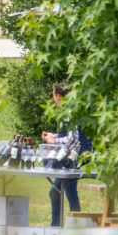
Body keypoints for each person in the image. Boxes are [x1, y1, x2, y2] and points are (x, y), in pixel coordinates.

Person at [41, 83, 92, 227]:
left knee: (56, 192)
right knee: (69, 193)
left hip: (73, 157)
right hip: (76, 156)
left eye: (53, 95)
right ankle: (72, 227)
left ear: (58, 96)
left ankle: (58, 228)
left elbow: (73, 139)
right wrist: (55, 135)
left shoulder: (68, 111)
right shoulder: (71, 108)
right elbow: (70, 134)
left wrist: (54, 140)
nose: (53, 99)